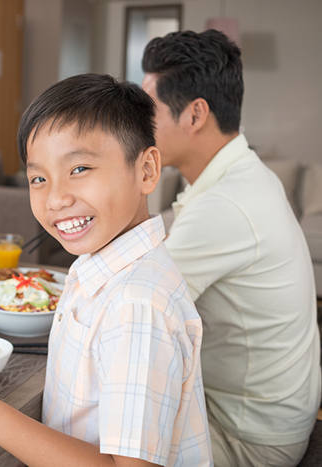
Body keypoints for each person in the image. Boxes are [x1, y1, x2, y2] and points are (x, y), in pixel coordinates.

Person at [0, 73, 212, 467]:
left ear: (145, 170)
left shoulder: (137, 305)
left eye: (79, 169)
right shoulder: (102, 268)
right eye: (39, 178)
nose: (56, 198)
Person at [142, 30, 320, 466]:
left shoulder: (227, 203)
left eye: (147, 111)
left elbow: (137, 300)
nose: (136, 125)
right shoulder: (241, 176)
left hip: (247, 439)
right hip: (261, 414)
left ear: (195, 114)